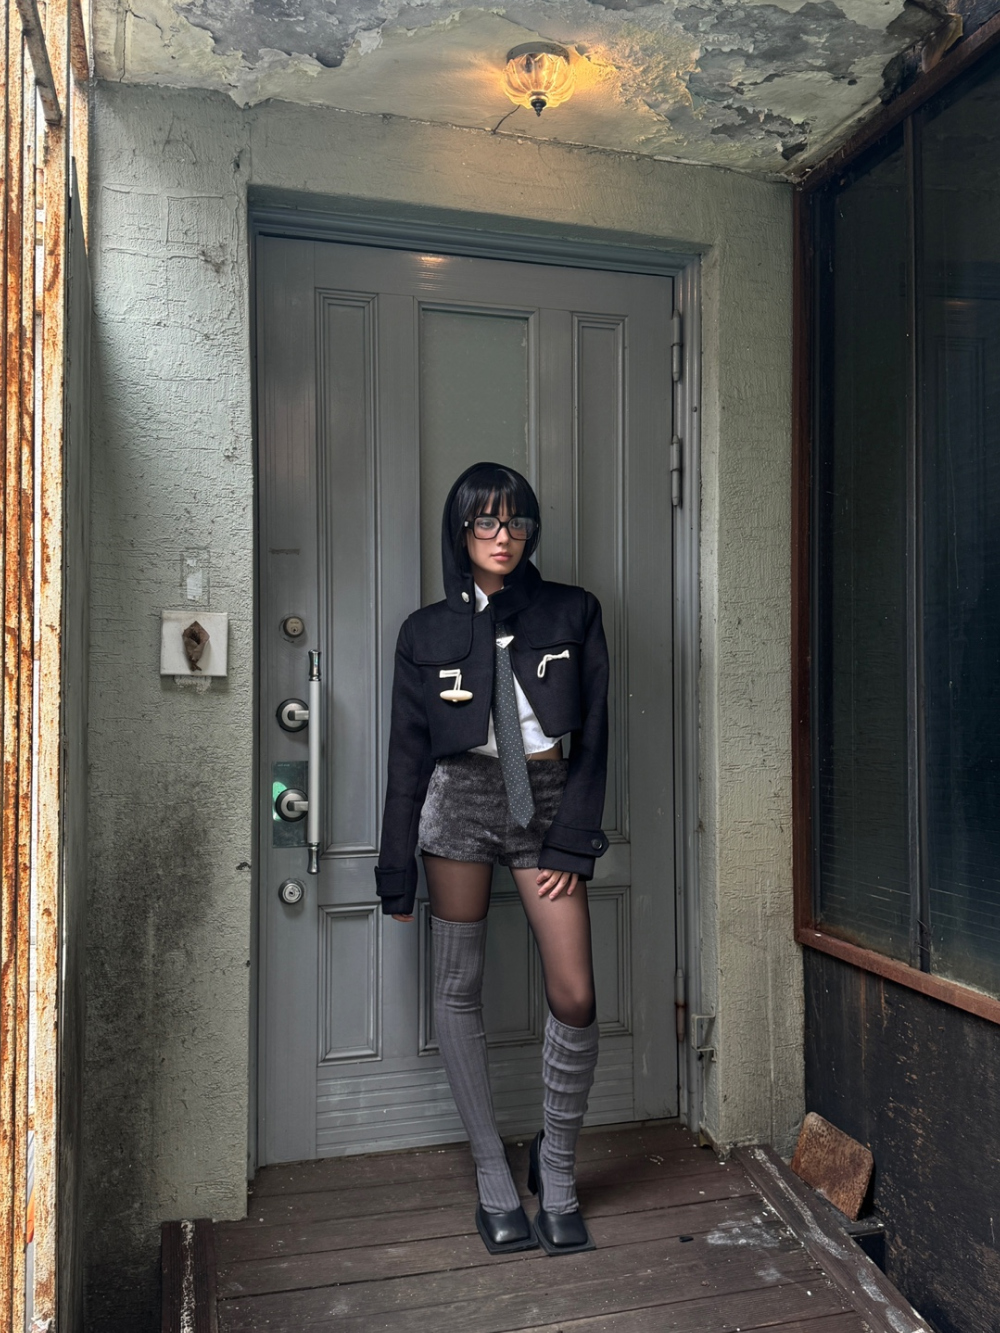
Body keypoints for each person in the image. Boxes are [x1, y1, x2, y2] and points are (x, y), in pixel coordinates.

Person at [375, 461, 610, 1257]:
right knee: (458, 986)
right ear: (462, 530)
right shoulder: (424, 631)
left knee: (575, 992)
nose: (502, 536)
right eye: (486, 521)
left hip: (545, 801)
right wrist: (395, 870)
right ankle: (491, 1171)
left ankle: (558, 1165)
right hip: (459, 803)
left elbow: (596, 736)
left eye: (516, 521)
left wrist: (572, 837)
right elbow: (408, 756)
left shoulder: (573, 610)